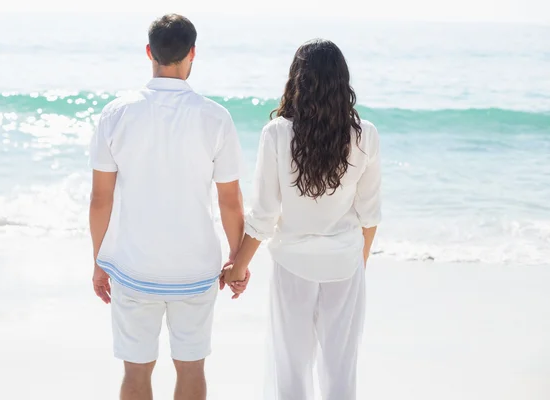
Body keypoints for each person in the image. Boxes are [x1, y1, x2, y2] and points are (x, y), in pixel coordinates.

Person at [89, 14, 248, 400]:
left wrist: (99, 260)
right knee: (192, 368)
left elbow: (100, 198)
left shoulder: (116, 113)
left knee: (135, 372)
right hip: (195, 268)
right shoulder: (216, 117)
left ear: (149, 53)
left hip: (133, 266)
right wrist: (237, 258)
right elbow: (229, 199)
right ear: (193, 53)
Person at [223, 39, 382, 400]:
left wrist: (237, 268)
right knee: (341, 369)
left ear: (297, 81)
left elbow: (264, 216)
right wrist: (358, 263)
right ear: (343, 82)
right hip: (345, 263)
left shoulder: (278, 133)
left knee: (290, 368)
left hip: (293, 264)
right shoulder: (364, 135)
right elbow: (370, 214)